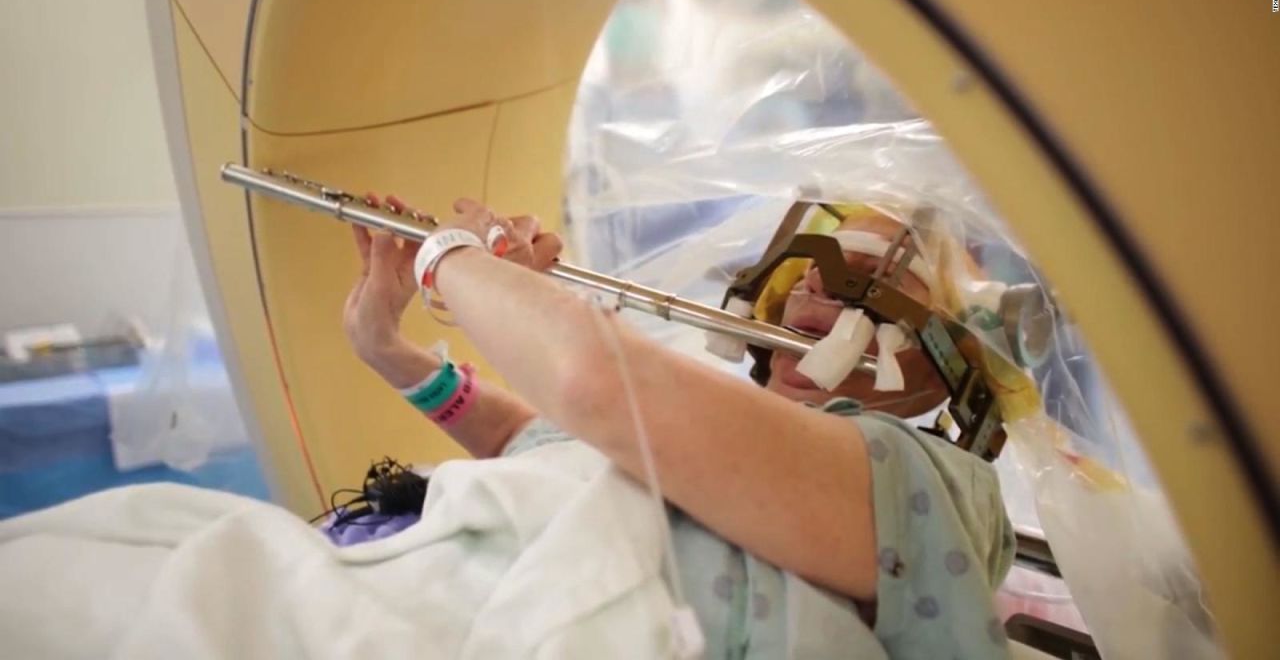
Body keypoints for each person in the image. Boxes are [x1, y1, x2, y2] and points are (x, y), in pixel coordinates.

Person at [344, 194, 1016, 659]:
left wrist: (456, 262)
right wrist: (386, 349)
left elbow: (591, 380)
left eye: (866, 281)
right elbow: (537, 442)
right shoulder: (695, 432)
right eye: (809, 275)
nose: (819, 291)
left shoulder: (942, 486)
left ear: (939, 368)